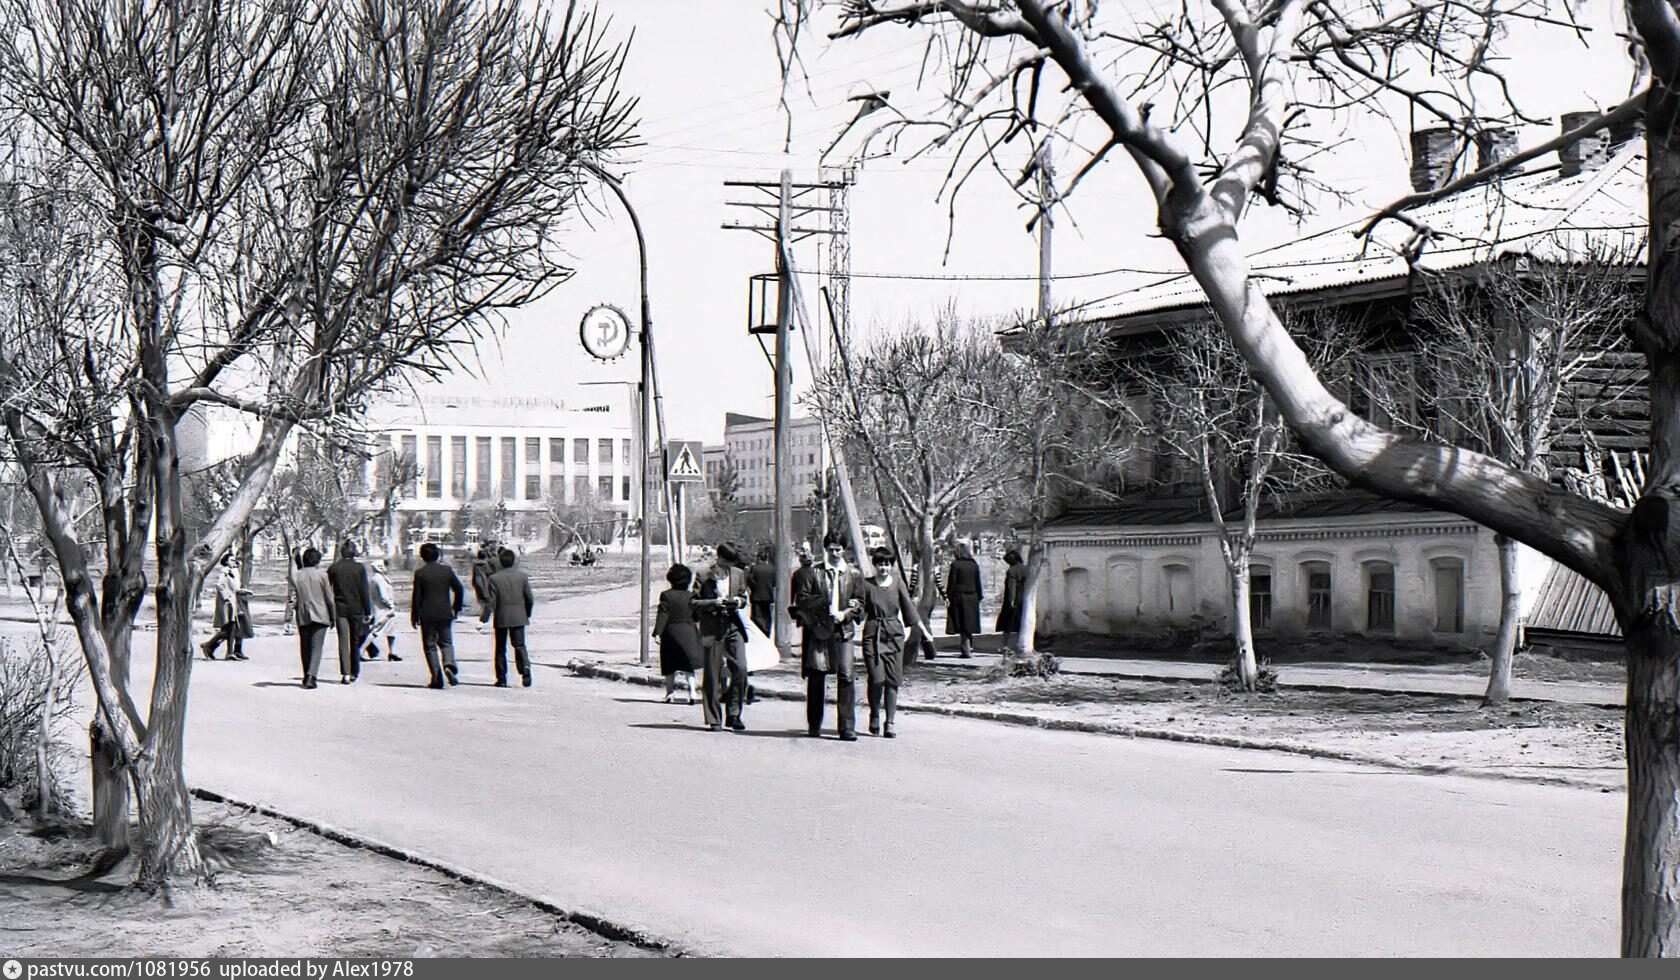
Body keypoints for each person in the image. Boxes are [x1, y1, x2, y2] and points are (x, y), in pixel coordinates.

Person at [794, 531, 865, 740]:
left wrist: (847, 612)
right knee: (817, 676)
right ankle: (814, 724)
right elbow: (803, 600)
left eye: (838, 549)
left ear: (844, 550)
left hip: (844, 630)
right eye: (831, 549)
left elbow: (860, 602)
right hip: (819, 630)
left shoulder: (854, 574)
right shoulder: (813, 573)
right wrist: (823, 607)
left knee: (846, 675)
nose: (834, 553)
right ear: (825, 550)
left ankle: (847, 727)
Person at [860, 546, 919, 739]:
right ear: (875, 565)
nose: (884, 568)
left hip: (894, 635)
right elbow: (860, 610)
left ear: (891, 565)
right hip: (873, 635)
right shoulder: (867, 585)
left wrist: (918, 630)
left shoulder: (898, 583)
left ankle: (890, 721)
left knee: (893, 681)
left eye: (887, 564)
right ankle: (875, 714)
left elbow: (908, 609)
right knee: (877, 679)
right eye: (880, 564)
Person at [694, 543, 751, 731]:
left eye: (731, 563)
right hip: (712, 627)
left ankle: (734, 714)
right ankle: (714, 718)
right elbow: (693, 603)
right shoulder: (703, 575)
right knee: (712, 674)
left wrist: (738, 601)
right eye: (725, 562)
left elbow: (744, 597)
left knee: (741, 668)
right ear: (718, 558)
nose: (728, 567)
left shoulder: (738, 574)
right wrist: (713, 603)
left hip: (733, 625)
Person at [410, 542, 465, 689]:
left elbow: (417, 597)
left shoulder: (420, 573)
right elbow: (459, 589)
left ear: (422, 556)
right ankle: (449, 664)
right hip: (445, 612)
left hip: (427, 614)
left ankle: (436, 677)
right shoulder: (446, 571)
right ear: (438, 554)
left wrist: (414, 615)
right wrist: (456, 607)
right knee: (447, 642)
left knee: (430, 646)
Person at [482, 547, 536, 687]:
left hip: (501, 616)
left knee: (500, 648)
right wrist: (527, 612)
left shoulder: (494, 578)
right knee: (519, 645)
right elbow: (529, 598)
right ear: (513, 561)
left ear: (500, 562)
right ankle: (525, 668)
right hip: (519, 616)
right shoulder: (522, 576)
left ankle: (501, 678)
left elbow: (491, 601)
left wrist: (484, 617)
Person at [653, 563, 703, 704]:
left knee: (669, 664)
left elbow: (663, 615)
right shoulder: (692, 596)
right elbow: (697, 615)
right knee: (688, 664)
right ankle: (692, 692)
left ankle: (670, 693)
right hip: (689, 631)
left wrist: (658, 632)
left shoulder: (666, 595)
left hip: (671, 632)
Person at [327, 539, 374, 684]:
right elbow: (364, 591)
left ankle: (345, 673)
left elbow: (328, 590)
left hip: (340, 608)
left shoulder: (334, 568)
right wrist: (368, 611)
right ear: (354, 552)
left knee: (343, 640)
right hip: (357, 608)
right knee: (355, 640)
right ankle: (355, 671)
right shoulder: (359, 568)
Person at [292, 547, 335, 689]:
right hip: (321, 613)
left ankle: (306, 675)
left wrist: (294, 556)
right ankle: (312, 675)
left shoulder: (298, 575)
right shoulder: (322, 575)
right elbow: (329, 598)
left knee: (305, 646)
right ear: (318, 560)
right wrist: (333, 616)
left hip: (303, 613)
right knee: (317, 647)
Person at [200, 554, 248, 661]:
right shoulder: (225, 571)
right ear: (226, 561)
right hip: (228, 603)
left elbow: (236, 586)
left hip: (234, 601)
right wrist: (227, 597)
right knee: (229, 627)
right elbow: (219, 585)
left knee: (232, 627)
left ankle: (222, 650)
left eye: (234, 560)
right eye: (231, 560)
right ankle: (209, 645)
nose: (233, 561)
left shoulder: (233, 571)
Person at [946, 540, 984, 658]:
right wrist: (979, 596)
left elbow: (952, 582)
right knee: (970, 623)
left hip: (959, 596)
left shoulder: (956, 565)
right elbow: (978, 582)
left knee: (962, 623)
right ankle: (969, 647)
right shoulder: (974, 564)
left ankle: (966, 649)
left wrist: (948, 596)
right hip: (973, 596)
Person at [362, 558, 402, 662]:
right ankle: (360, 651)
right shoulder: (378, 579)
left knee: (391, 631)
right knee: (376, 631)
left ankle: (392, 652)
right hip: (383, 609)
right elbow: (383, 596)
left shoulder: (378, 578)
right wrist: (390, 605)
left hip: (384, 608)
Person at [996, 549, 1027, 654]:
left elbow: (1011, 588)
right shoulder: (1026, 569)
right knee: (1021, 624)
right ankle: (1021, 644)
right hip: (1024, 600)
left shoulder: (1012, 571)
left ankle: (1005, 646)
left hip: (1013, 601)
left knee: (1007, 625)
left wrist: (1011, 601)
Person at [745, 544, 776, 636]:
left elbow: (749, 580)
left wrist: (754, 587)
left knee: (757, 616)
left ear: (758, 558)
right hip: (768, 596)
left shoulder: (754, 568)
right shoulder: (772, 568)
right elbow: (775, 582)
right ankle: (767, 631)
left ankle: (759, 633)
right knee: (767, 616)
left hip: (756, 596)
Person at [470, 543, 497, 634]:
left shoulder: (475, 565)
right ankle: (481, 622)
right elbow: (492, 574)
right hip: (486, 586)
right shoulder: (486, 565)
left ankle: (482, 621)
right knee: (490, 604)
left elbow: (474, 579)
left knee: (487, 605)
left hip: (479, 586)